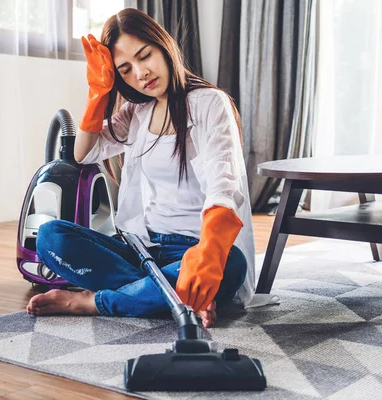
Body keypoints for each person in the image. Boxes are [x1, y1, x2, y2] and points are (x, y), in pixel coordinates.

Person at [26, 8, 276, 328]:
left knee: (231, 264)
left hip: (197, 252)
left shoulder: (210, 103)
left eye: (145, 56)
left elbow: (224, 185)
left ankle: (95, 301)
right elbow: (83, 154)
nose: (141, 73)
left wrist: (209, 252)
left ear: (164, 46)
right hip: (145, 249)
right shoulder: (137, 111)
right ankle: (171, 294)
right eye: (126, 69)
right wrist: (97, 93)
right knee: (51, 236)